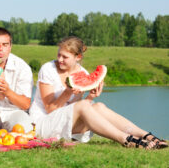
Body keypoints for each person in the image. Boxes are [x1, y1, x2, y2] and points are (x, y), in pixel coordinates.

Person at [29, 36, 168, 149]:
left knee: (99, 106)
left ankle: (148, 136)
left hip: (66, 123)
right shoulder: (48, 69)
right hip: (42, 124)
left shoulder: (83, 73)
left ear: (77, 57)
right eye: (59, 55)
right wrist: (67, 92)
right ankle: (126, 140)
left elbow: (75, 108)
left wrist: (90, 97)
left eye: (64, 57)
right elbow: (49, 109)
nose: (59, 60)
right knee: (85, 105)